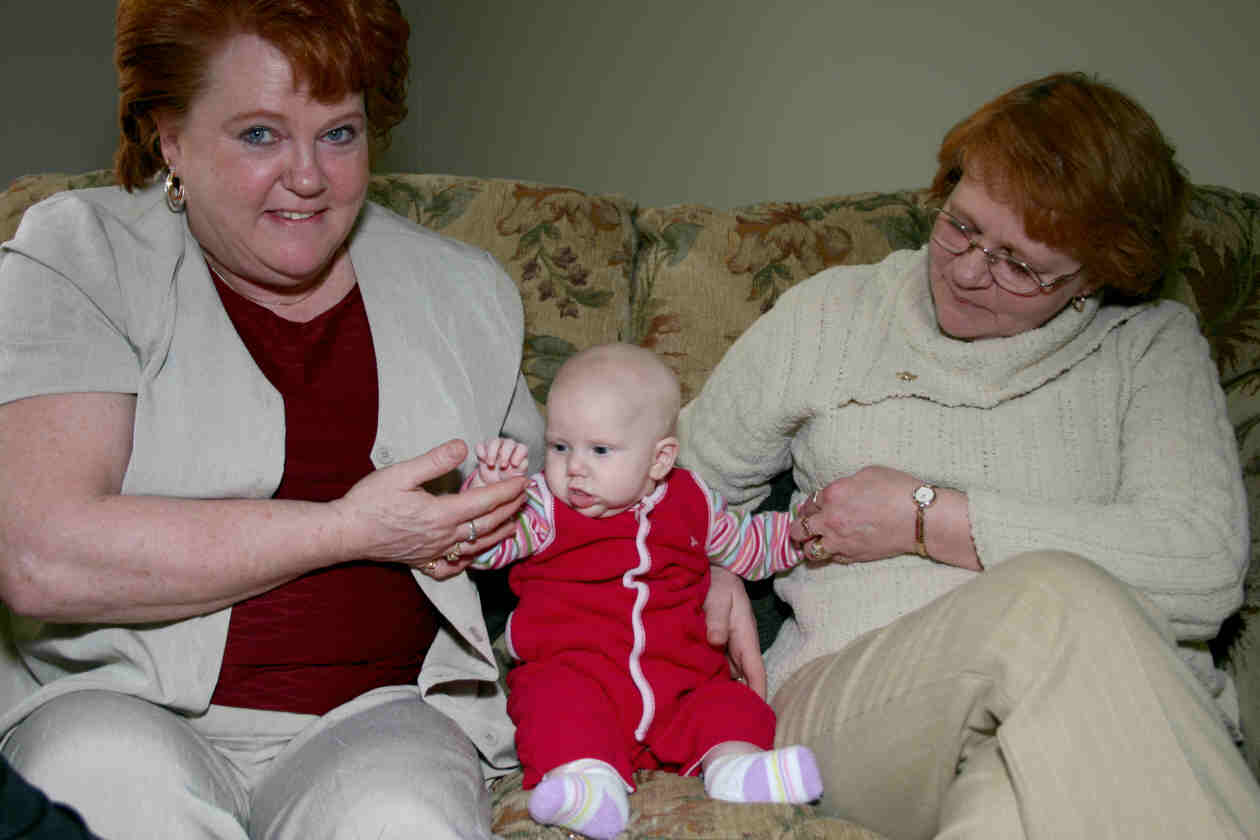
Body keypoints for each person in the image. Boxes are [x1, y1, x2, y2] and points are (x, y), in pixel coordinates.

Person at [678, 72, 1260, 838]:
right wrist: (710, 556)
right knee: (1050, 596)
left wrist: (928, 519)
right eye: (960, 226)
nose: (965, 270)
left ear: (1097, 277)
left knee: (1007, 807)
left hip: (1104, 724)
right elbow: (660, 485)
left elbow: (1200, 568)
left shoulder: (1148, 349)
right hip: (855, 710)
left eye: (1020, 264)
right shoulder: (834, 314)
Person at [462, 343, 823, 839]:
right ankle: (588, 785)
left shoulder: (693, 501)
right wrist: (488, 499)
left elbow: (747, 548)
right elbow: (485, 551)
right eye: (561, 447)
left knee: (732, 705)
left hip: (682, 685)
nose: (575, 469)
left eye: (600, 450)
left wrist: (799, 535)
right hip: (580, 680)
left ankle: (737, 768)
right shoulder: (541, 509)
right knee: (550, 702)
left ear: (660, 460)